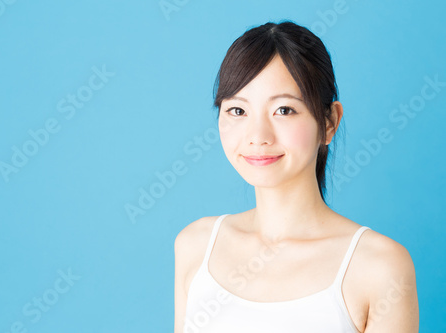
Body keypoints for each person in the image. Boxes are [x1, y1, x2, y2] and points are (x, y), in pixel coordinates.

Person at [174, 20, 419, 333]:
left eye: (284, 110)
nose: (257, 136)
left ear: (329, 122)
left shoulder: (380, 266)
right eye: (237, 110)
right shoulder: (196, 244)